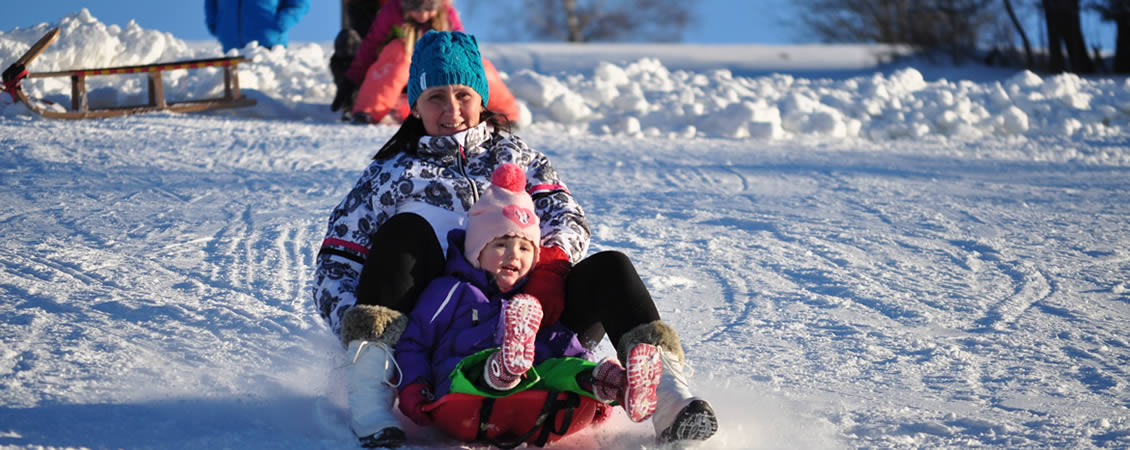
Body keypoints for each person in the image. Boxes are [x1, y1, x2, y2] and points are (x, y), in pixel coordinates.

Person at [311, 30, 716, 449]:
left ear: (481, 98)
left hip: (538, 319)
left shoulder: (517, 157)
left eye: (463, 94)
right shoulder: (391, 174)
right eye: (435, 97)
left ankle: (668, 401)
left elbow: (567, 215)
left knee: (611, 267)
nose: (452, 109)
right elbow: (337, 263)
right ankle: (370, 396)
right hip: (445, 329)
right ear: (414, 104)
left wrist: (549, 273)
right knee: (407, 230)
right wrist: (369, 331)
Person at [393, 163, 664, 438]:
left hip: (532, 382)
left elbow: (562, 342)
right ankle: (498, 371)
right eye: (500, 245)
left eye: (524, 248)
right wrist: (414, 387)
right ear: (476, 251)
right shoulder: (451, 290)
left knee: (562, 366)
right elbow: (415, 342)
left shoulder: (529, 300)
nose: (513, 256)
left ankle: (609, 384)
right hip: (459, 387)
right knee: (468, 369)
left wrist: (586, 371)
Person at [329, 0, 521, 124]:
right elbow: (370, 46)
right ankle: (368, 111)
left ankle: (506, 113)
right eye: (415, 9)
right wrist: (352, 79)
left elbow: (462, 46)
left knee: (474, 64)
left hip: (436, 76)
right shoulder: (392, 12)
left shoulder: (446, 12)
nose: (422, 16)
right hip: (401, 80)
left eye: (428, 9)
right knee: (398, 50)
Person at [204, 0, 311, 52]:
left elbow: (300, 3)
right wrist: (214, 24)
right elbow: (211, 3)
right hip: (230, 49)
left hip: (269, 48)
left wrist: (281, 23)